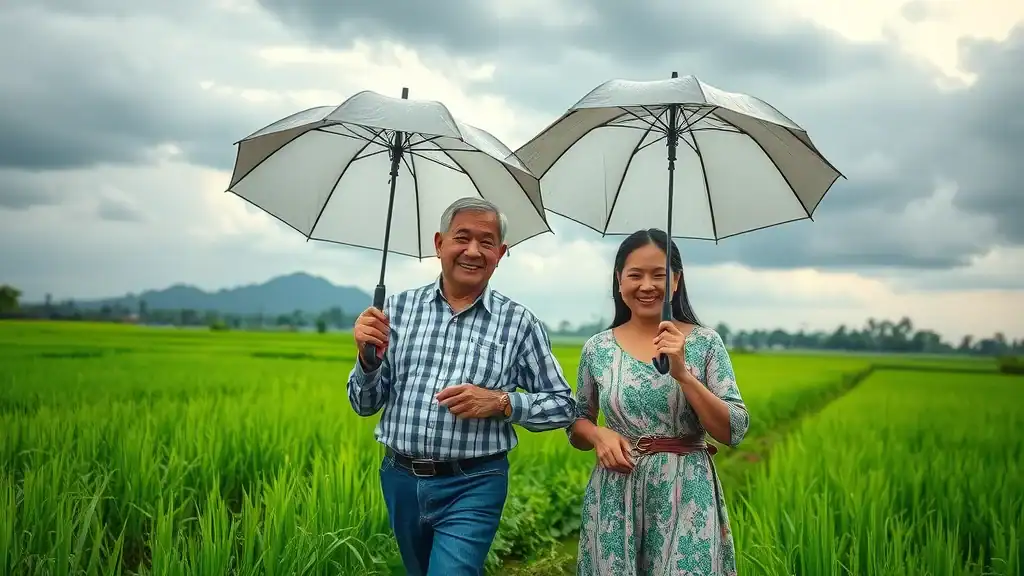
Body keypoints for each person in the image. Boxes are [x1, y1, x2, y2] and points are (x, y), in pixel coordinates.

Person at [347, 197, 577, 576]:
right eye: (462, 238)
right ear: (439, 244)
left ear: (501, 253)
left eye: (486, 242)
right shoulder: (397, 310)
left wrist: (503, 402)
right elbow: (364, 403)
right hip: (399, 477)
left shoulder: (519, 323)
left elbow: (563, 405)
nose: (473, 251)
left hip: (475, 482)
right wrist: (367, 360)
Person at [567, 228, 749, 576]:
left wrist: (683, 373)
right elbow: (576, 424)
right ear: (619, 281)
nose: (646, 285)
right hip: (615, 493)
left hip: (687, 492)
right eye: (635, 275)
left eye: (659, 275)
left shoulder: (705, 343)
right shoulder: (598, 348)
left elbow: (733, 430)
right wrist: (597, 435)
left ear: (676, 281)